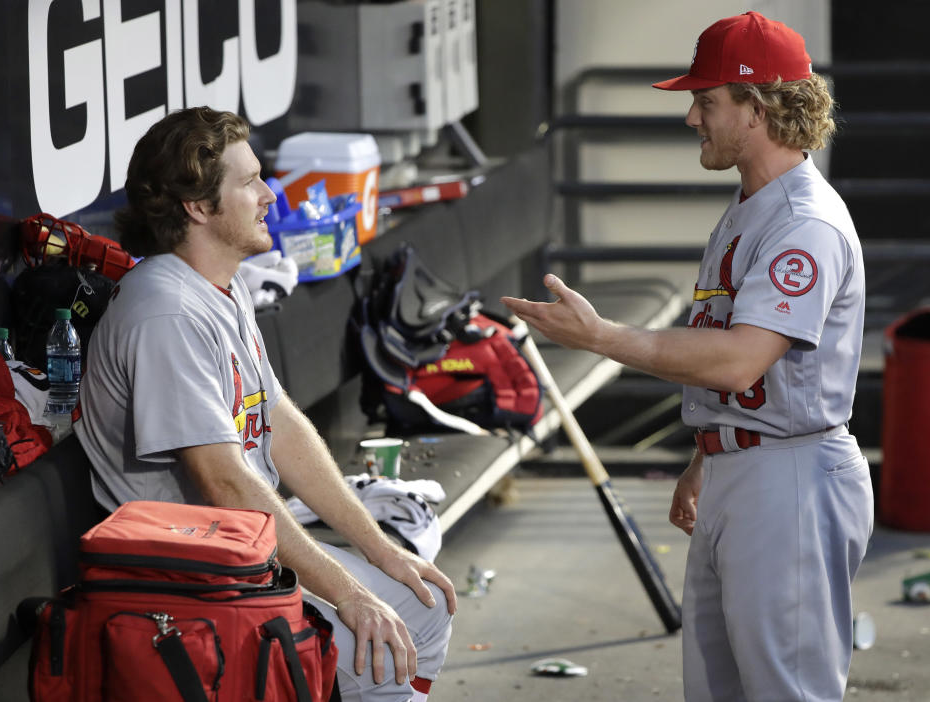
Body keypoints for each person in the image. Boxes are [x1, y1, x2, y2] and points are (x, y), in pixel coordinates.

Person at [503, 11, 873, 702]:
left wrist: (603, 338)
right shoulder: (752, 204)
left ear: (756, 107)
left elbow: (739, 361)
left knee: (784, 692)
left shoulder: (803, 223)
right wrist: (708, 454)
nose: (690, 118)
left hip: (789, 477)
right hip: (750, 466)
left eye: (706, 101)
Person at [73, 106, 455, 702]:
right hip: (188, 579)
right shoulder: (164, 313)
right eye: (249, 182)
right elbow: (224, 482)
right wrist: (349, 594)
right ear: (198, 208)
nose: (271, 195)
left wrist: (380, 551)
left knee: (421, 606)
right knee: (378, 647)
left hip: (242, 552)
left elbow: (277, 422)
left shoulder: (221, 288)